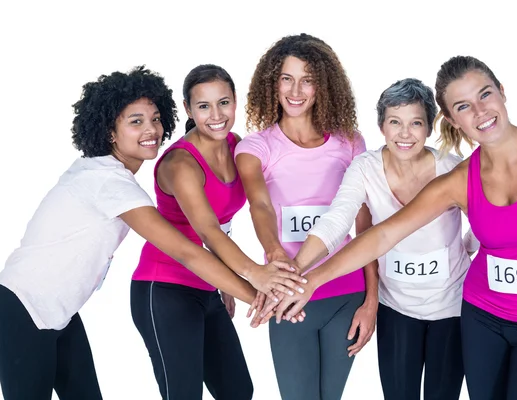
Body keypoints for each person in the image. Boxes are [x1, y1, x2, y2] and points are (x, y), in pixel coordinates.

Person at [268, 55, 517, 400]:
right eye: (463, 106)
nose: (480, 112)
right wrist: (311, 279)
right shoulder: (459, 179)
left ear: (501, 91)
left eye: (485, 95)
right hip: (480, 317)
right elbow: (382, 235)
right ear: (453, 120)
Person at [0, 66, 272, 400]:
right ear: (110, 131)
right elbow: (187, 251)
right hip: (22, 308)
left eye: (155, 119)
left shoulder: (105, 172)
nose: (151, 130)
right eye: (135, 121)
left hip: (61, 313)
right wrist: (260, 294)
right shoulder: (108, 183)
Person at [274, 78, 478, 400]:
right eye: (395, 122)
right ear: (381, 125)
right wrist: (296, 272)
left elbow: (484, 225)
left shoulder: (452, 169)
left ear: (428, 128)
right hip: (395, 307)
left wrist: (466, 247)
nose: (405, 134)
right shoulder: (365, 167)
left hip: (450, 308)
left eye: (416, 123)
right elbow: (338, 220)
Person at [130, 64, 306, 400]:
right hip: (165, 289)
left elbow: (237, 218)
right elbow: (209, 231)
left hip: (207, 285)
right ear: (187, 109)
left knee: (237, 390)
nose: (216, 115)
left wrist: (228, 277)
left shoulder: (235, 144)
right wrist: (257, 279)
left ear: (236, 101)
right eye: (203, 106)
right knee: (183, 394)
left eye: (223, 103)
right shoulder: (180, 164)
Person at [236, 33, 376, 400]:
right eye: (286, 78)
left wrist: (371, 301)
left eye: (307, 79)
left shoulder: (350, 142)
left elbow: (366, 228)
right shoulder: (256, 147)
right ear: (273, 83)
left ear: (323, 86)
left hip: (347, 293)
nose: (295, 90)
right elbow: (260, 205)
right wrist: (274, 253)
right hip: (290, 294)